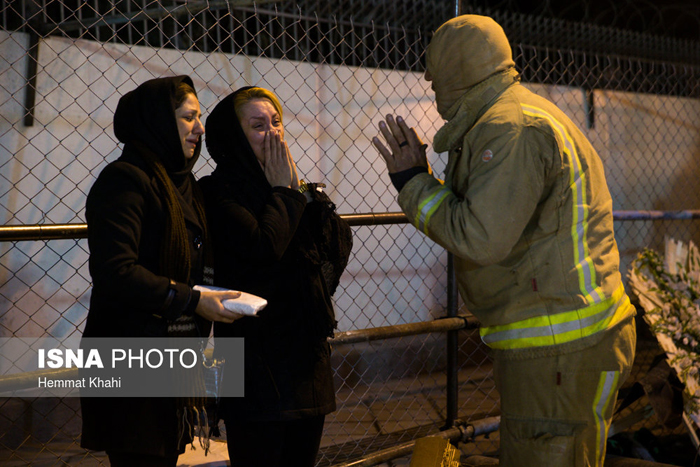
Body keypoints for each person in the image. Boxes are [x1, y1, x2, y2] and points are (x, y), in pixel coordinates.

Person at [372, 15, 636, 467]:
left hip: (560, 350)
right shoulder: (515, 116)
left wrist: (413, 181)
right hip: (564, 343)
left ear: (458, 70)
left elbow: (482, 237)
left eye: (436, 77)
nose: (430, 87)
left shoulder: (509, 128)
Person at [81, 75, 243, 467]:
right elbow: (115, 271)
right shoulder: (126, 180)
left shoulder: (183, 185)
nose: (199, 128)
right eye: (189, 117)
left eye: (199, 117)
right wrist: (193, 299)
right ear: (156, 120)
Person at [200, 86, 351, 467]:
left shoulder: (291, 187)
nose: (273, 133)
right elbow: (264, 249)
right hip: (252, 363)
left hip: (305, 361)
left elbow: (330, 257)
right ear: (234, 136)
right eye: (258, 125)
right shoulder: (218, 193)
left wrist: (296, 189)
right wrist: (285, 192)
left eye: (277, 122)